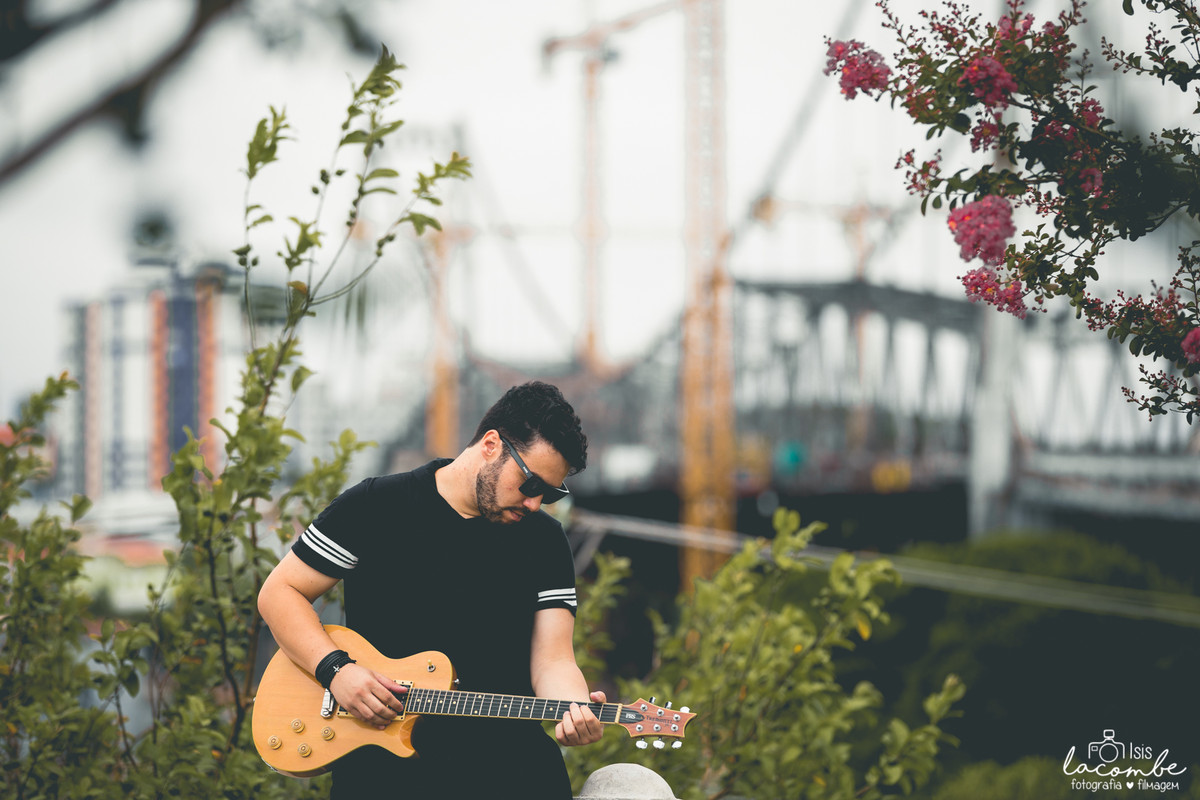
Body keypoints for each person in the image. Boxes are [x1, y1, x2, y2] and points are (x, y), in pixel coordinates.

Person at [258, 381, 605, 799]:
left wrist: (573, 708)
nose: (535, 504)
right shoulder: (375, 505)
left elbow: (553, 660)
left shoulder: (545, 540)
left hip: (514, 776)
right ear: (492, 444)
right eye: (531, 484)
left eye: (550, 494)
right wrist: (336, 671)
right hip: (384, 776)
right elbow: (280, 592)